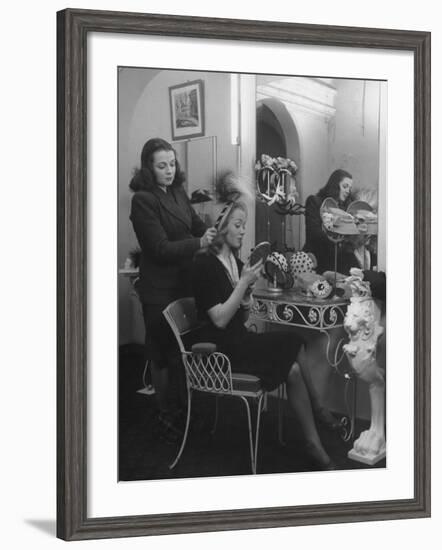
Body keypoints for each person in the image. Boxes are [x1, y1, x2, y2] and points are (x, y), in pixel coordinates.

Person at [191, 199, 335, 470]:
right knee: (291, 355)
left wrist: (245, 296)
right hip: (220, 351)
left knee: (293, 346)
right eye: (237, 225)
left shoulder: (234, 260)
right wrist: (243, 283)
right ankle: (317, 418)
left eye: (244, 225)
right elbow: (220, 320)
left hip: (239, 340)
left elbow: (241, 316)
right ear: (221, 228)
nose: (243, 231)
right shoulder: (204, 264)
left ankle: (313, 436)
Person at [129, 137, 217, 441]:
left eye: (172, 163)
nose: (169, 170)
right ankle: (166, 414)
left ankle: (182, 410)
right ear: (149, 169)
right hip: (157, 288)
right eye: (161, 165)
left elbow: (195, 225)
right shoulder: (143, 199)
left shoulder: (179, 192)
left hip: (182, 283)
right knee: (162, 353)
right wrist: (200, 243)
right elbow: (159, 249)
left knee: (182, 354)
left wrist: (211, 232)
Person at [303, 169, 355, 274]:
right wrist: (338, 236)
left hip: (337, 258)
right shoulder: (314, 201)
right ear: (335, 185)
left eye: (350, 188)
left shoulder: (345, 209)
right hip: (317, 257)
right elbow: (313, 233)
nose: (348, 191)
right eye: (345, 186)